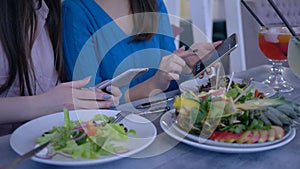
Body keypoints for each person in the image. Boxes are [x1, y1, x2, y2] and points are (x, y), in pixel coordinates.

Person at [0, 0, 121, 135]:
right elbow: (49, 102)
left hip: (48, 143)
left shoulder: (45, 9)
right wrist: (44, 104)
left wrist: (88, 97)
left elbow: (51, 90)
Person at [62, 0, 220, 102]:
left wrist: (188, 65)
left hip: (168, 120)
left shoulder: (153, 3)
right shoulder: (75, 11)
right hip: (116, 133)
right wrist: (153, 84)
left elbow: (170, 80)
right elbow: (92, 101)